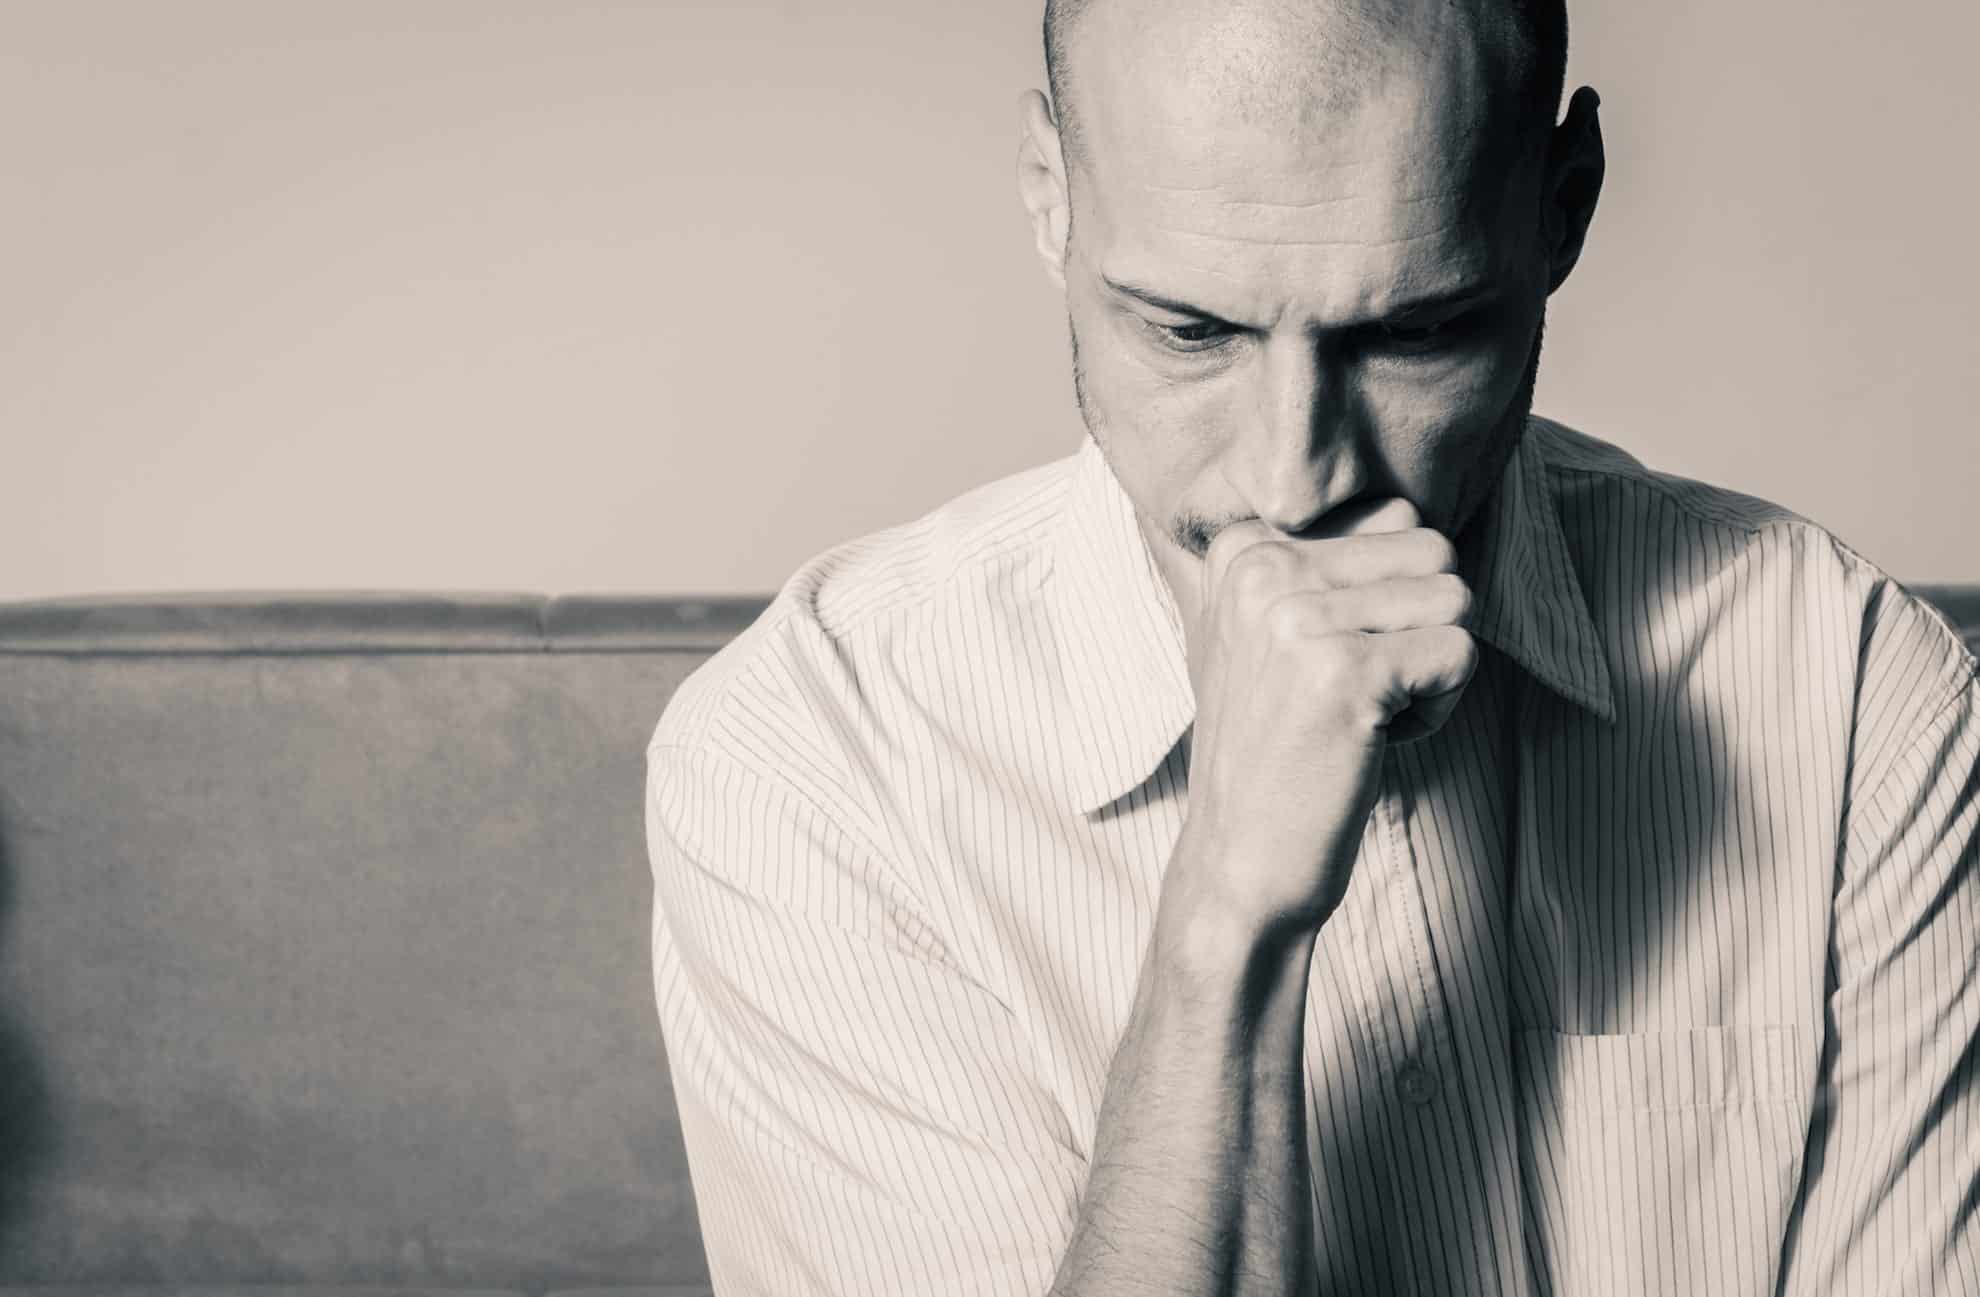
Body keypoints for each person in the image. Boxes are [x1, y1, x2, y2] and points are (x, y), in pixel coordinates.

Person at [643, 0, 1980, 1292]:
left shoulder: (1856, 696)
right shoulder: (812, 768)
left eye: (1413, 335)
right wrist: (1226, 927)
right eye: (1189, 330)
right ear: (1050, 192)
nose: (1295, 481)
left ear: (1560, 208)